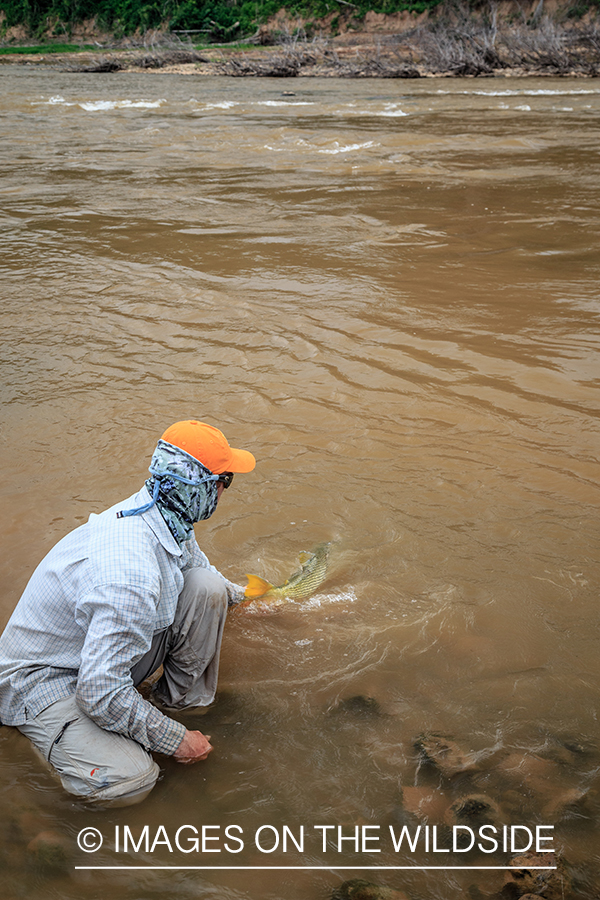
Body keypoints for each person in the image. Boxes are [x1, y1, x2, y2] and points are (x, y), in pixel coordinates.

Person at [0, 420, 255, 806]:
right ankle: (41, 745)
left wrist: (260, 601)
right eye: (224, 480)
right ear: (198, 488)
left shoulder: (162, 514)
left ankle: (175, 705)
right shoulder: (129, 576)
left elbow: (201, 571)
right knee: (132, 781)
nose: (224, 490)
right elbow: (98, 690)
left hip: (91, 661)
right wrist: (177, 740)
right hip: (45, 682)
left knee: (207, 587)